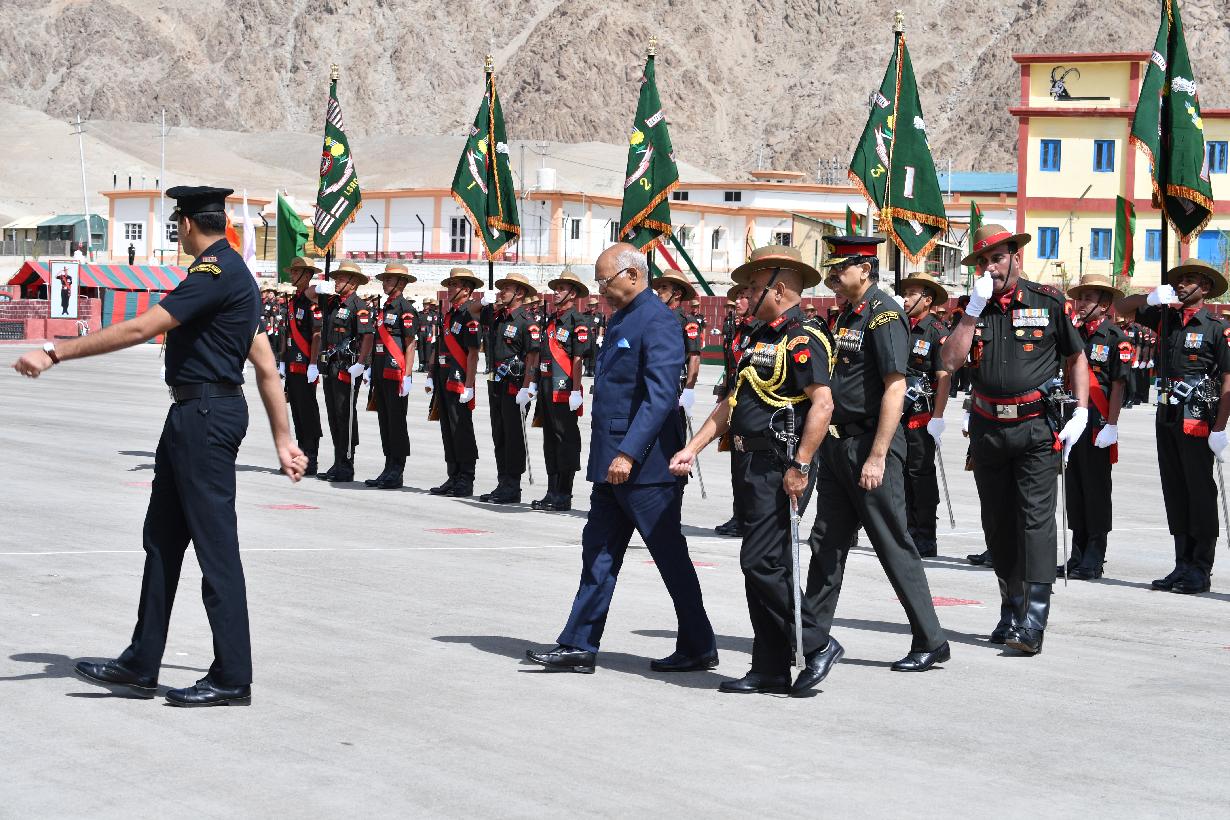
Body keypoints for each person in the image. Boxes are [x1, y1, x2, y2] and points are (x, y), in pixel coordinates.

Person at [13, 185, 306, 706]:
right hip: (195, 413)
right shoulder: (235, 275)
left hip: (206, 416)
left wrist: (56, 353)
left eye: (176, 225)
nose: (177, 233)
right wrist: (283, 440)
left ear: (187, 224)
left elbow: (142, 327)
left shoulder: (214, 273)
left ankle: (232, 677)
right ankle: (142, 662)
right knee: (163, 541)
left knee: (215, 548)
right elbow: (265, 365)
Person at [526, 243, 716, 674]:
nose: (600, 289)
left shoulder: (658, 321)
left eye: (605, 280)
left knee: (669, 558)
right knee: (598, 553)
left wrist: (628, 453)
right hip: (612, 463)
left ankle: (698, 644)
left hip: (645, 467)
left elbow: (660, 396)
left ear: (633, 275)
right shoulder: (622, 318)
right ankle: (578, 643)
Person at [672, 245, 837, 695]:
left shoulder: (803, 337)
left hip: (781, 463)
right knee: (764, 566)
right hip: (750, 461)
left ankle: (817, 643)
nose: (744, 295)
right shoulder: (761, 337)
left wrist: (801, 465)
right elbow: (734, 402)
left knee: (760, 561)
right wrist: (693, 448)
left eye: (752, 287)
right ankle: (769, 666)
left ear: (777, 289)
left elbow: (823, 405)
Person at [941, 224, 1089, 654]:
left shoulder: (1048, 302)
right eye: (984, 262)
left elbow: (1076, 355)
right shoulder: (972, 308)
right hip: (988, 428)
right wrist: (972, 310)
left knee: (1035, 521)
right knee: (998, 522)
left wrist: (1081, 410)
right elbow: (949, 362)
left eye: (998, 258)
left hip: (1036, 428)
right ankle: (1011, 608)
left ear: (1015, 259)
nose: (991, 267)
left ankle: (1034, 620)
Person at [805, 236, 949, 674]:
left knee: (891, 541)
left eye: (840, 268)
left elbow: (895, 387)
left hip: (870, 444)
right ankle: (810, 636)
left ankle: (930, 639)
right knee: (826, 542)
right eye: (831, 268)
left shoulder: (884, 314)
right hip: (837, 445)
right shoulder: (848, 314)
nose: (833, 275)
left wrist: (878, 454)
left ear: (865, 269)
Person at [1116, 259, 1230, 594]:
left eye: (1188, 280)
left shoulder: (1215, 327)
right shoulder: (1165, 317)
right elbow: (1122, 307)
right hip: (1167, 411)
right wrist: (1149, 297)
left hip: (1197, 414)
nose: (1180, 285)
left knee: (1199, 490)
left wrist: (1221, 427)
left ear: (1204, 288)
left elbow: (1228, 378)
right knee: (1175, 489)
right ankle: (1181, 563)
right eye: (1178, 280)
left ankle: (1200, 568)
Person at [1061, 274, 1130, 580]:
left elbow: (1118, 385)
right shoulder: (1074, 333)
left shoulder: (1115, 337)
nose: (1081, 303)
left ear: (1104, 304)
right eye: (1079, 297)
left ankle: (1094, 556)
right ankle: (1077, 554)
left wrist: (1112, 424)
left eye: (1088, 298)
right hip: (1072, 420)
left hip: (1097, 423)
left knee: (1096, 489)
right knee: (1075, 488)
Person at [894, 271, 951, 558]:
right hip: (897, 412)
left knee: (920, 474)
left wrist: (938, 417)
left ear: (927, 300)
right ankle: (907, 531)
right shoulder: (900, 326)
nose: (905, 299)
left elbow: (943, 377)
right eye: (905, 294)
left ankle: (926, 535)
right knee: (901, 473)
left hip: (921, 414)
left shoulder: (936, 332)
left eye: (911, 294)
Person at [530, 269, 592, 511]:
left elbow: (578, 359)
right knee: (550, 441)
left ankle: (564, 493)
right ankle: (551, 490)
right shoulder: (551, 321)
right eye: (556, 289)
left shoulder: (578, 321)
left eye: (561, 289)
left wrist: (576, 390)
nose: (556, 292)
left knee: (565, 439)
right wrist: (534, 381)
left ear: (572, 293)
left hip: (565, 389)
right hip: (547, 387)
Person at [478, 272, 540, 503]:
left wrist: (527, 387)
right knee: (499, 434)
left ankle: (513, 486)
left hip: (516, 385)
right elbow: (474, 315)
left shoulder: (526, 321)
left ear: (520, 293)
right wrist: (484, 302)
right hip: (496, 381)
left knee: (514, 436)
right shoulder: (498, 317)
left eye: (507, 288)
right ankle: (502, 481)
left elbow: (533, 356)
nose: (501, 292)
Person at [311, 261, 373, 483]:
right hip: (331, 364)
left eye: (341, 278)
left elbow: (367, 336)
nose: (336, 281)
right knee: (333, 415)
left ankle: (347, 463)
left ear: (353, 283)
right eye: (336, 278)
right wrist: (320, 288)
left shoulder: (359, 306)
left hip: (348, 366)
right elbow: (310, 296)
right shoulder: (333, 302)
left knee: (345, 414)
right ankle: (338, 461)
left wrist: (362, 363)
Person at [427, 268, 482, 497]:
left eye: (454, 285)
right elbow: (439, 344)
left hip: (459, 379)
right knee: (447, 429)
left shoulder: (469, 314)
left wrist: (469, 385)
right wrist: (431, 374)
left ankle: (466, 478)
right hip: (444, 377)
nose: (449, 289)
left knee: (461, 429)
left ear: (466, 290)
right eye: (449, 285)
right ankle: (453, 475)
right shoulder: (450, 314)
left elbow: (473, 353)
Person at [364, 262, 418, 489]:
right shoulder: (384, 307)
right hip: (380, 371)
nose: (384, 283)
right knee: (384, 421)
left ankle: (397, 470)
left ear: (401, 283)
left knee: (396, 422)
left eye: (389, 279)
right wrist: (369, 367)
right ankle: (388, 466)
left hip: (396, 373)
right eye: (384, 279)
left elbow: (410, 344)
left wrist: (407, 375)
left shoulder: (405, 309)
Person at [714, 282, 759, 539]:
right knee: (737, 464)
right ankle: (738, 515)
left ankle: (748, 517)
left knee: (748, 465)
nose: (739, 301)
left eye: (744, 297)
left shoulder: (758, 329)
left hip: (750, 404)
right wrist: (723, 391)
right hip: (733, 402)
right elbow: (731, 366)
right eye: (738, 297)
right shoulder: (735, 328)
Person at [280, 257, 325, 475]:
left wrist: (314, 364)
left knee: (308, 411)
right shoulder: (294, 301)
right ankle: (300, 455)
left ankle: (311, 458)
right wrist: (282, 360)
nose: (291, 275)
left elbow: (317, 335)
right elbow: (286, 332)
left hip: (305, 365)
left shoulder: (312, 303)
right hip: (292, 363)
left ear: (307, 275)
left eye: (296, 272)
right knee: (297, 411)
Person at [653, 270, 702, 419]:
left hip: (672, 384)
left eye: (664, 288)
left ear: (677, 294)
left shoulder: (687, 321)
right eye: (659, 287)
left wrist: (689, 389)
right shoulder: (655, 317)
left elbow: (694, 356)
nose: (659, 291)